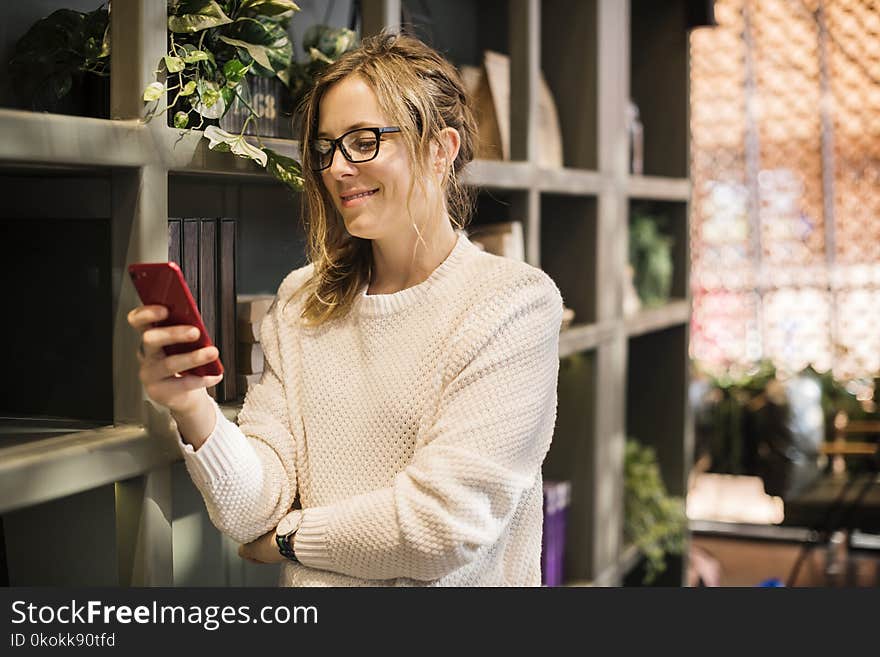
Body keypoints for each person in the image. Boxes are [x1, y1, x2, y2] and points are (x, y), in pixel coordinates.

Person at [127, 32, 563, 586]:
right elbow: (250, 508)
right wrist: (192, 406)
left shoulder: (513, 305)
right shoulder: (302, 301)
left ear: (441, 148)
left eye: (363, 140)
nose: (336, 167)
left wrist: (288, 540)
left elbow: (439, 529)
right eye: (328, 147)